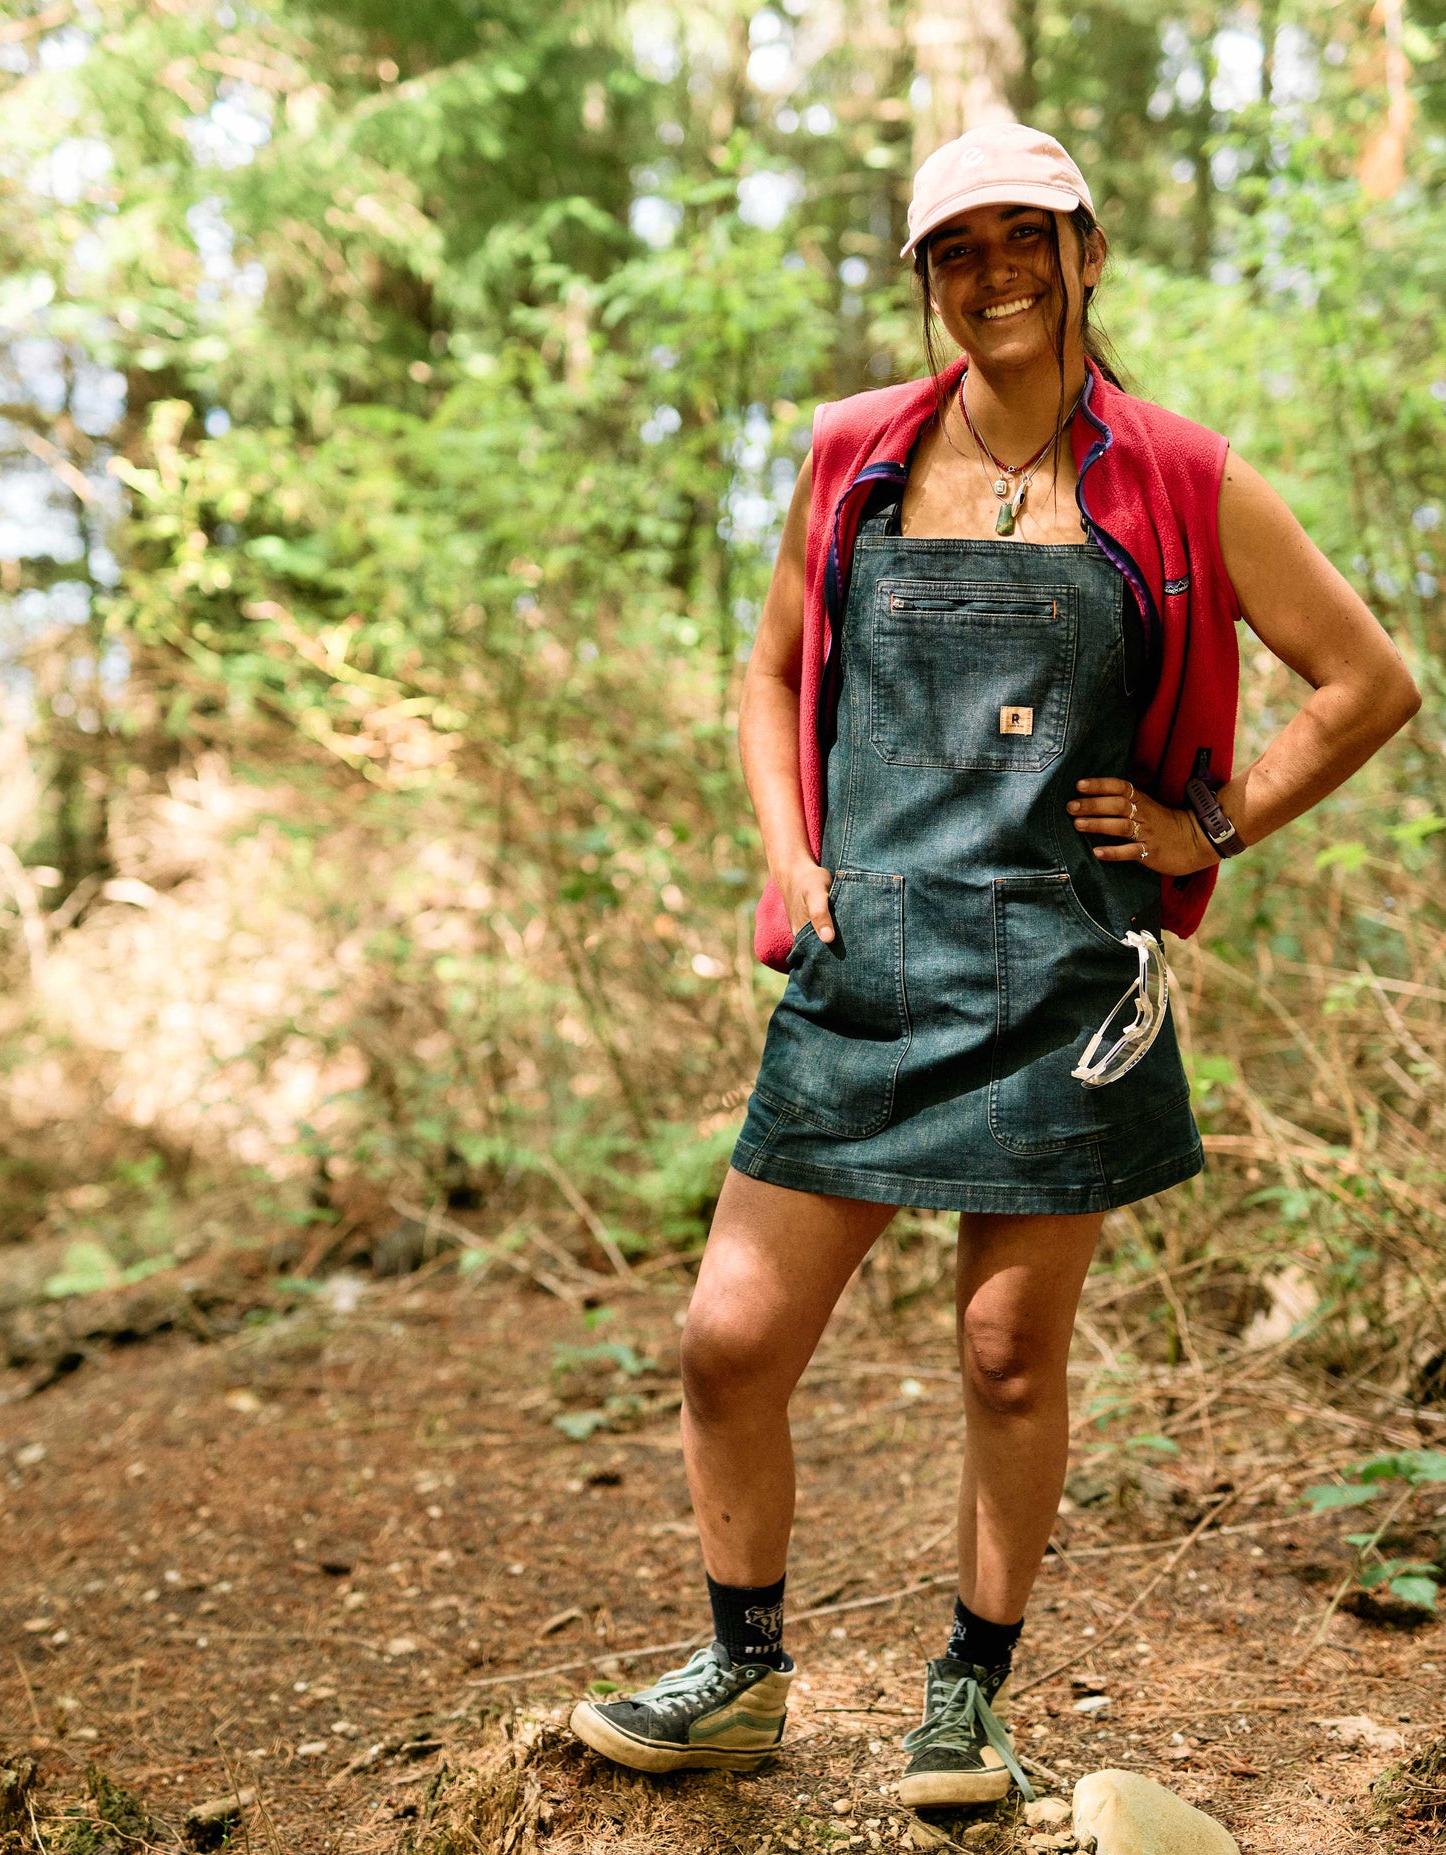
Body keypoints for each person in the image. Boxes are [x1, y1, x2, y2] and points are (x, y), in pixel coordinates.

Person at [569, 122, 1418, 1807]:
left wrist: (1212, 827)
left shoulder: (1179, 474)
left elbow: (1371, 682)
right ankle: (740, 1674)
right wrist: (790, 859)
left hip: (1062, 978)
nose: (996, 273)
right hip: (865, 960)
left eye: (1026, 237)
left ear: (1086, 251)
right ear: (926, 281)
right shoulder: (853, 456)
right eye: (958, 249)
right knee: (728, 1342)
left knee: (1010, 1356)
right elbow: (767, 674)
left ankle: (970, 1694)